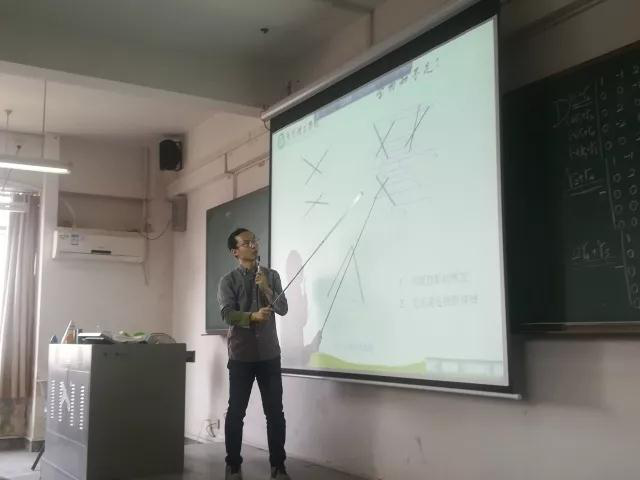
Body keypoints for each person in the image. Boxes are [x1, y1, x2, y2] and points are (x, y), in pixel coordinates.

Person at [217, 228, 291, 480]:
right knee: (236, 413)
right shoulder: (228, 281)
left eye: (254, 241)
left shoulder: (271, 275)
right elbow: (227, 314)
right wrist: (252, 316)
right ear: (235, 251)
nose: (253, 245)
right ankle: (233, 465)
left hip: (269, 354)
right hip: (241, 356)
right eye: (246, 243)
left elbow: (283, 308)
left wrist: (267, 288)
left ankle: (278, 466)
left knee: (275, 413)